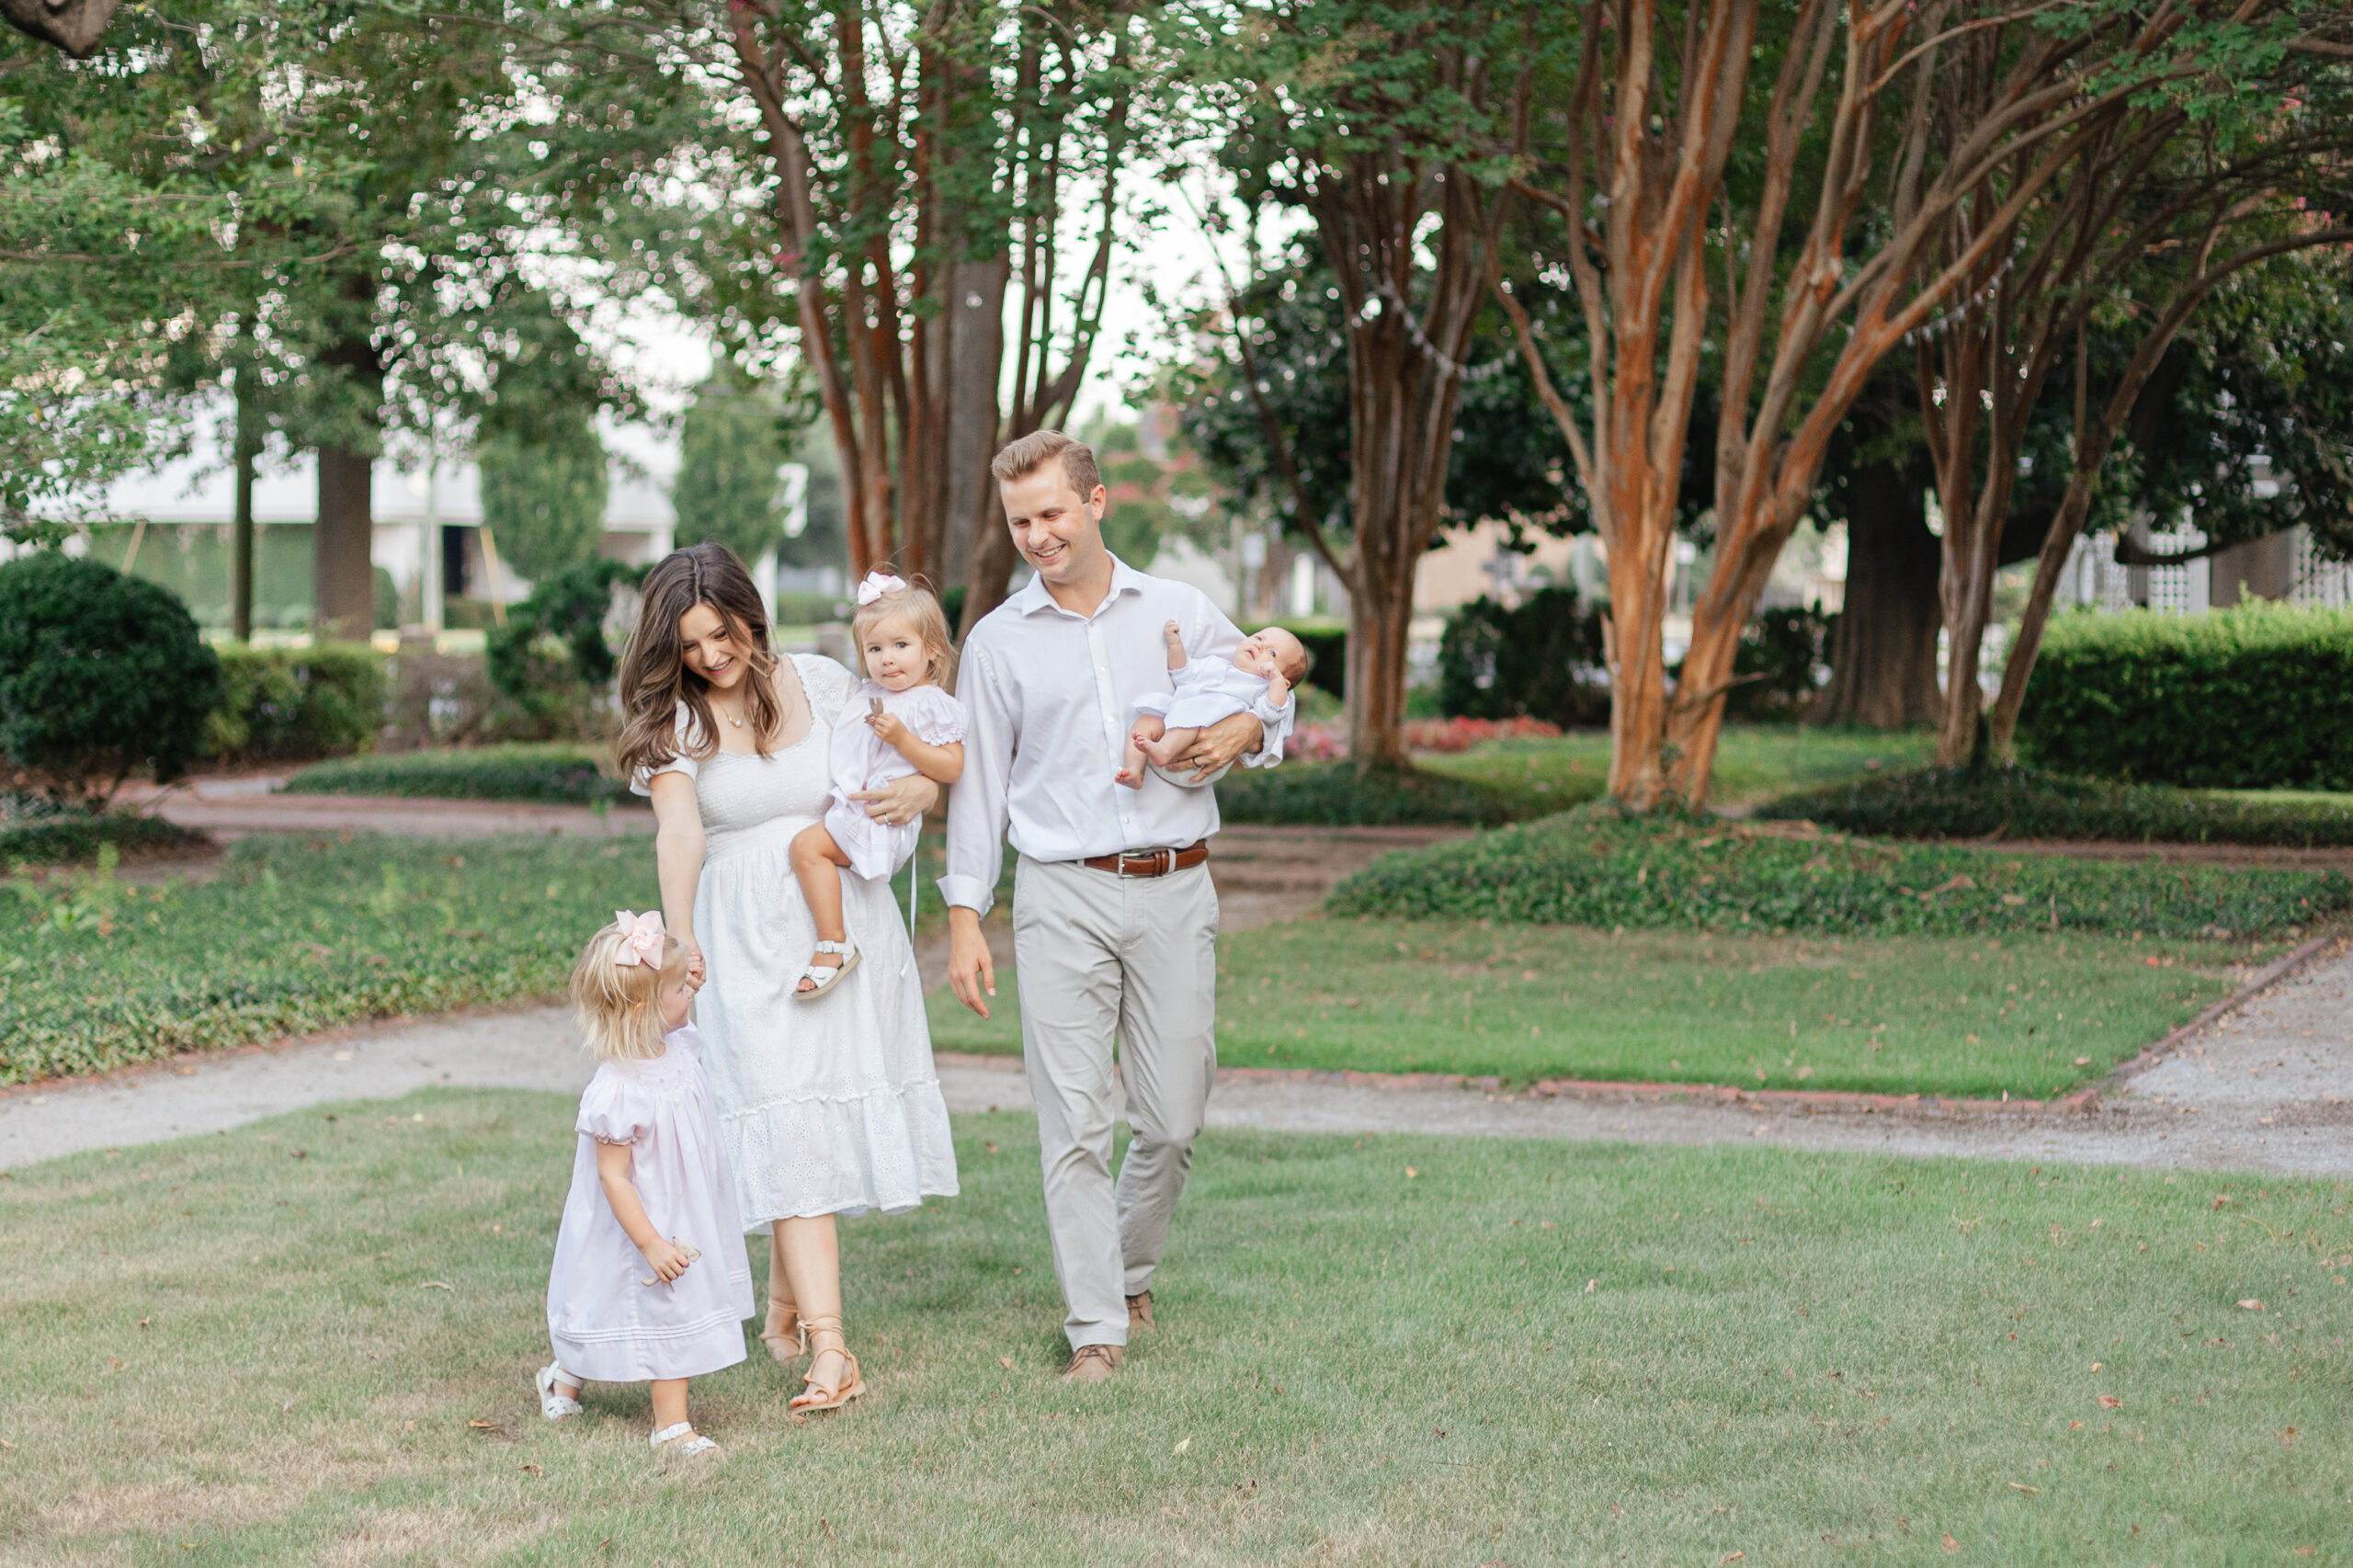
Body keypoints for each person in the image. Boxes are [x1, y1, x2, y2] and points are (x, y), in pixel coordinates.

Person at [941, 429, 1294, 1382]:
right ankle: (1096, 1327)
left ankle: (1131, 1269)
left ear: (1096, 503)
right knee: (1074, 1119)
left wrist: (1246, 723)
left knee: (1173, 1116)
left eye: (1052, 512)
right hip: (1059, 894)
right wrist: (965, 912)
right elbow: (976, 789)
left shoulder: (1178, 607)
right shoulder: (997, 641)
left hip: (1178, 883)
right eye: (1021, 520)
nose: (1037, 534)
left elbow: (1266, 692)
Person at [618, 542, 958, 1415]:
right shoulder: (677, 720)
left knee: (804, 1112)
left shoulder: (826, 682)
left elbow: (911, 752)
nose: (711, 658)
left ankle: (789, 1321)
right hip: (742, 934)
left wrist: (922, 791)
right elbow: (680, 834)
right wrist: (680, 945)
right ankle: (831, 1346)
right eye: (690, 645)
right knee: (784, 1115)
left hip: (837, 926)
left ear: (750, 616)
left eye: (722, 635)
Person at [537, 909, 751, 1460]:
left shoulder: (678, 1045)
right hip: (636, 1216)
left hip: (685, 1203)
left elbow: (676, 1000)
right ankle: (665, 1424)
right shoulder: (616, 1090)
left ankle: (568, 1377)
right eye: (682, 989)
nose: (692, 995)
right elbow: (613, 1176)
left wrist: (683, 974)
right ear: (643, 1009)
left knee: (638, 1302)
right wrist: (650, 1241)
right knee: (619, 1297)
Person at [788, 572, 966, 1000]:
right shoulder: (868, 695)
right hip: (861, 811)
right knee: (809, 851)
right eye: (875, 649)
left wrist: (905, 740)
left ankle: (833, 944)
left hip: (882, 819)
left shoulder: (931, 705)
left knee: (805, 849)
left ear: (933, 650)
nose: (888, 659)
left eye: (901, 646)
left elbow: (952, 766)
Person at [1119, 619, 1307, 789]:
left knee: (1194, 717)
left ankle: (1163, 750)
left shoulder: (1261, 687)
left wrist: (1276, 681)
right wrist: (1175, 645)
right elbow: (1182, 674)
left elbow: (1271, 713)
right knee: (1147, 721)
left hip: (1198, 744)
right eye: (1258, 638)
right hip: (1175, 721)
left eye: (1272, 653)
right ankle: (1134, 770)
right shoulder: (1216, 664)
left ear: (1284, 682)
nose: (1259, 647)